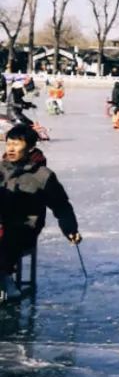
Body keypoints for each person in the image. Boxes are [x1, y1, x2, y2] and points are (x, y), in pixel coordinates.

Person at [0, 124, 81, 300]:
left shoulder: (43, 175)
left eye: (17, 144)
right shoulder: (1, 170)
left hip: (25, 226)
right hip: (2, 222)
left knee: (8, 238)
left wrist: (70, 229)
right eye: (9, 144)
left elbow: (61, 205)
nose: (11, 149)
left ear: (30, 148)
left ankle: (5, 278)